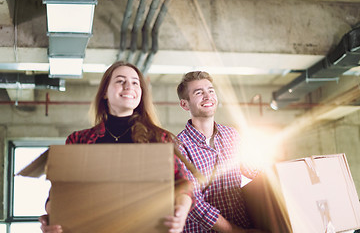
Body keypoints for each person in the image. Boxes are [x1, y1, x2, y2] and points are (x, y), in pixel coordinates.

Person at [39, 61, 193, 233]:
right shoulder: (79, 140)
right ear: (105, 92)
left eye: (135, 82)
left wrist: (181, 213)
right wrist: (54, 218)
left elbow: (183, 184)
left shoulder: (159, 139)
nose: (129, 86)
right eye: (120, 81)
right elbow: (59, 193)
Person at [176, 71, 266, 233]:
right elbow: (194, 203)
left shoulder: (232, 135)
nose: (208, 96)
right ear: (184, 104)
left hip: (241, 222)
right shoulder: (179, 147)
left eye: (210, 90)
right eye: (199, 92)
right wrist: (237, 232)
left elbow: (254, 171)